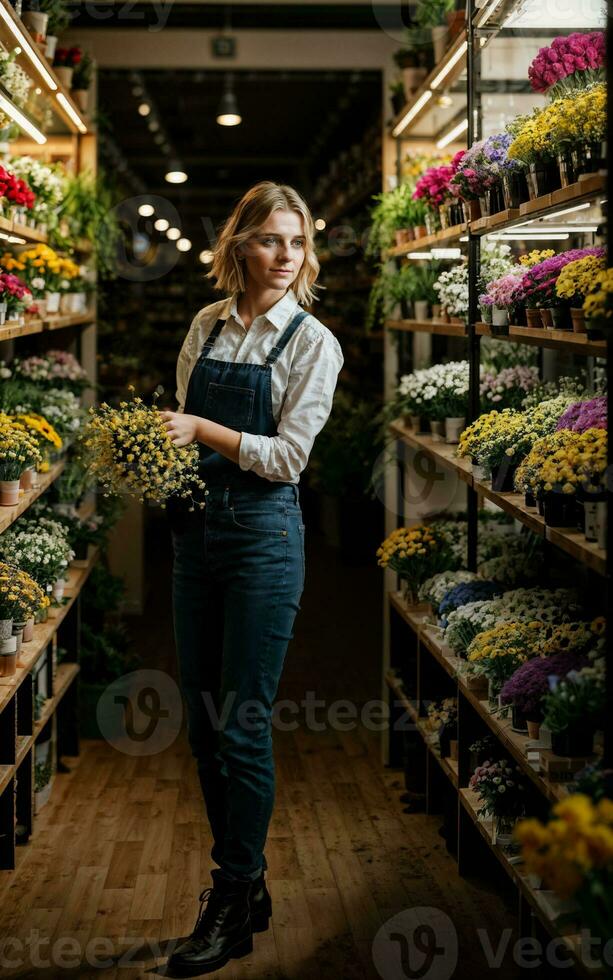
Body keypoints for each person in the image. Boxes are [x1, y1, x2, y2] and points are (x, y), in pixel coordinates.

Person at [160, 180, 344, 974]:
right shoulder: (205, 325)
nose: (283, 256)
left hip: (264, 540)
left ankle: (231, 898)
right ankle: (248, 881)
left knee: (239, 724)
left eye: (296, 243)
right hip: (196, 538)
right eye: (269, 239)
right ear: (237, 245)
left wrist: (201, 427)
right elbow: (179, 423)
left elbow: (288, 460)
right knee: (202, 724)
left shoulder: (311, 343)